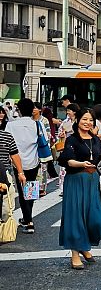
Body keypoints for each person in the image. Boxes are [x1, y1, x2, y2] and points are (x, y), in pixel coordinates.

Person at [59, 107, 101, 269]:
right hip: (76, 180)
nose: (88, 123)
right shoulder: (72, 140)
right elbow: (68, 160)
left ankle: (84, 245)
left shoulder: (96, 140)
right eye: (85, 119)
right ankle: (75, 253)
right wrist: (81, 164)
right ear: (77, 120)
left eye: (91, 120)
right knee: (75, 217)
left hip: (92, 181)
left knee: (96, 220)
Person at [7, 98, 41, 234]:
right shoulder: (37, 125)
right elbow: (43, 141)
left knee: (21, 192)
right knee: (30, 190)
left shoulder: (11, 125)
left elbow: (7, 142)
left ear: (19, 110)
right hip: (33, 161)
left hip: (17, 162)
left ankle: (28, 221)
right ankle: (28, 217)